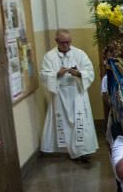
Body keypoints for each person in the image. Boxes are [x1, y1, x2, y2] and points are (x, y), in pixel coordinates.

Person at [39, 29, 97, 163]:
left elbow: (89, 71)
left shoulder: (80, 54)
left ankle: (83, 151)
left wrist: (78, 73)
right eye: (63, 42)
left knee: (80, 121)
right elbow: (44, 74)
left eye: (68, 42)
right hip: (60, 94)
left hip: (77, 92)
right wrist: (57, 74)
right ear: (56, 41)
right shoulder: (49, 56)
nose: (66, 45)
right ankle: (66, 149)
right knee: (63, 122)